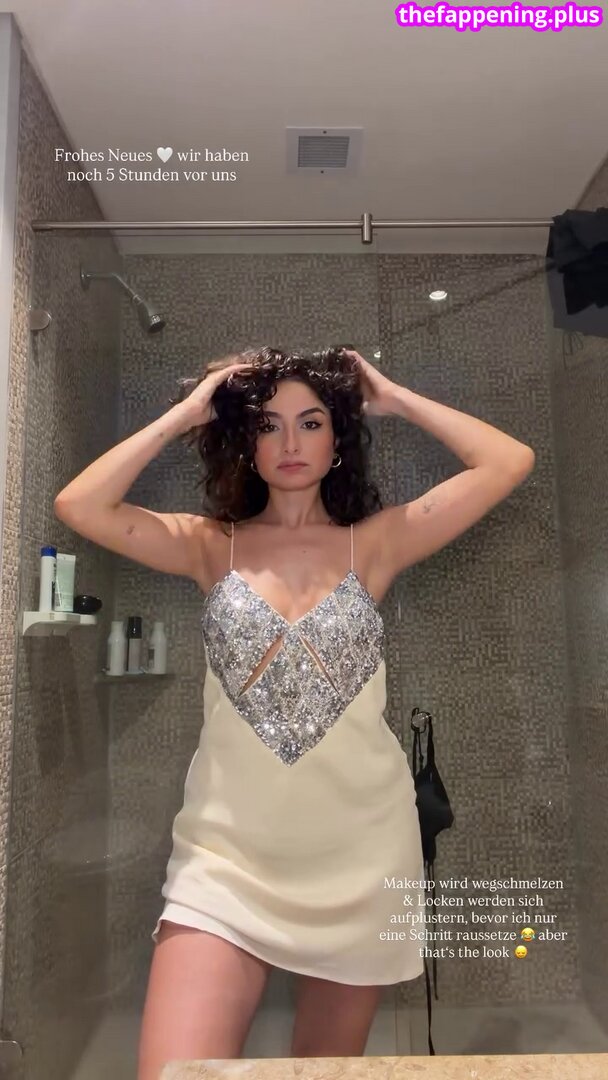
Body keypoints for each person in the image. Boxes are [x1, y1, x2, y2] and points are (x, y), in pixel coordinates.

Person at [53, 344, 535, 1078]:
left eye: (311, 422)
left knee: (321, 1070)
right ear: (244, 440)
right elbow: (80, 505)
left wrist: (395, 399)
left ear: (338, 438)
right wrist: (188, 413)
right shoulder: (210, 545)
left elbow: (508, 462)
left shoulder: (374, 543)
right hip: (225, 860)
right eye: (267, 425)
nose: (289, 442)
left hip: (361, 856)